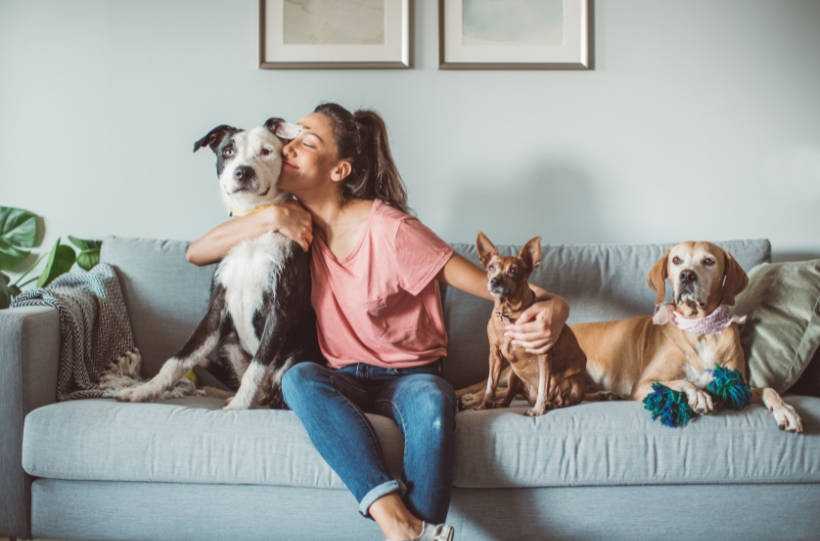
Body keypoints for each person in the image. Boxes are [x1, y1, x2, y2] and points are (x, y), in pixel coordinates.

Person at [186, 103, 569, 541]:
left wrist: (558, 307)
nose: (288, 147)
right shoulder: (292, 221)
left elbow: (493, 286)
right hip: (342, 376)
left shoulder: (392, 229)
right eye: (290, 139)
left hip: (410, 376)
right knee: (298, 380)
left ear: (338, 170)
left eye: (306, 142)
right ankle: (400, 523)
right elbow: (196, 253)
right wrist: (271, 215)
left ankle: (411, 530)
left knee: (433, 406)